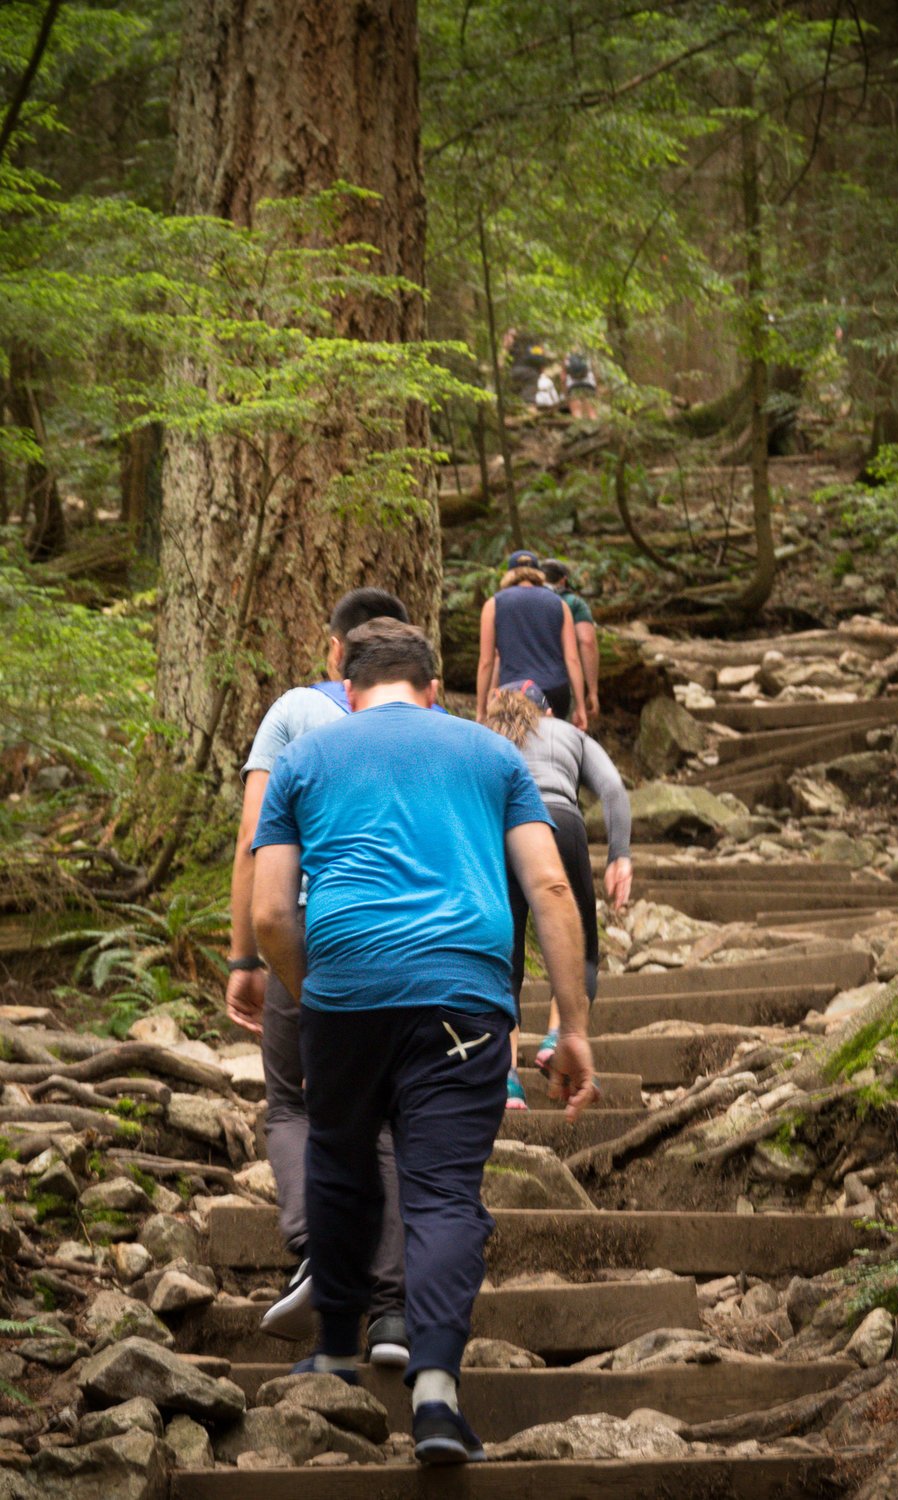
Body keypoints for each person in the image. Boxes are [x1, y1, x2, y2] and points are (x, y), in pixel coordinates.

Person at [251, 619, 596, 1466]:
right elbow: (550, 884)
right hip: (463, 999)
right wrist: (573, 1024)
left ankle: (336, 1351)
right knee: (443, 1194)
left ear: (348, 686)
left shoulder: (303, 758)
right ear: (435, 689)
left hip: (343, 989)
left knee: (338, 1161)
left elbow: (267, 915)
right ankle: (437, 1393)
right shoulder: (491, 756)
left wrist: (313, 988)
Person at [225, 587, 411, 1364]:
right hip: (411, 943)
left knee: (295, 1105)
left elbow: (253, 840)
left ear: (333, 651)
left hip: (312, 930)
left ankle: (314, 1251)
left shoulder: (294, 714)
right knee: (390, 1123)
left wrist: (244, 957)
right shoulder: (432, 726)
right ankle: (397, 1312)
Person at [485, 681, 632, 1109]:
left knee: (504, 958)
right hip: (562, 824)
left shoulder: (485, 736)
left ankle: (507, 1078)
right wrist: (620, 855)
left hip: (504, 831)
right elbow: (614, 791)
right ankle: (556, 1033)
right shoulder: (570, 735)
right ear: (548, 714)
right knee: (581, 945)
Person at [476, 551, 587, 728]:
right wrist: (580, 706)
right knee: (553, 745)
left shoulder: (493, 605)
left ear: (510, 574)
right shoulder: (560, 604)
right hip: (555, 691)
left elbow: (486, 662)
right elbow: (572, 659)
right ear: (538, 574)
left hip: (513, 694)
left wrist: (481, 709)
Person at [540, 557, 600, 720]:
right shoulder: (573, 603)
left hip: (521, 682)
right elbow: (587, 642)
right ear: (564, 580)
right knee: (562, 737)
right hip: (560, 682)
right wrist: (592, 691)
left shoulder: (520, 600)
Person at [563, 350, 598, 420]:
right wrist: (596, 390)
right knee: (592, 412)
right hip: (589, 386)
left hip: (573, 387)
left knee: (576, 413)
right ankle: (597, 429)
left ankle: (579, 429)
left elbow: (563, 378)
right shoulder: (587, 357)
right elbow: (596, 374)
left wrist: (565, 393)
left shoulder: (567, 358)